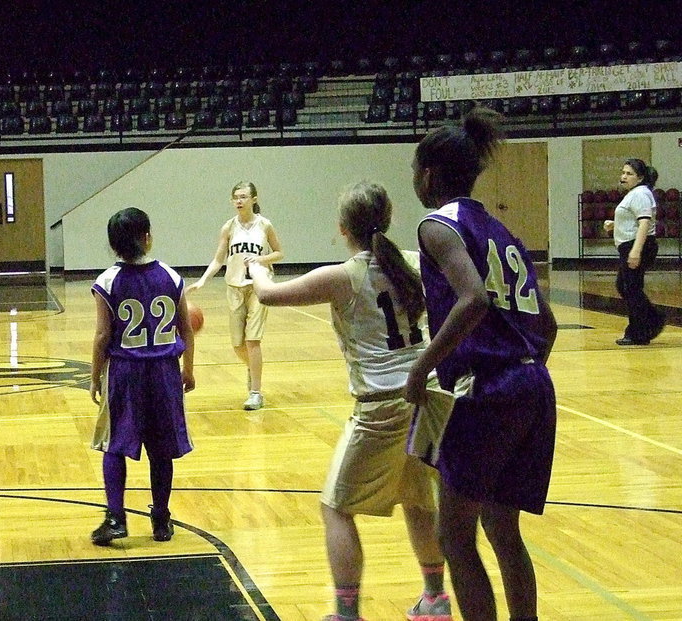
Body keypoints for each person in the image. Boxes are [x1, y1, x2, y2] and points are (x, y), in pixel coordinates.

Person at [247, 182, 453, 621]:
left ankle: (346, 613)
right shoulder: (416, 264)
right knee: (418, 500)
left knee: (335, 507)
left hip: (381, 405)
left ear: (343, 229)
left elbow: (267, 294)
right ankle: (435, 598)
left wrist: (256, 266)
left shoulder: (344, 276)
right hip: (428, 398)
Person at [406, 107, 558, 621]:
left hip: (488, 389)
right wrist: (522, 371)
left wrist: (421, 365)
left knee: (455, 536)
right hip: (534, 382)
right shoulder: (502, 231)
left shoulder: (437, 226)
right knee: (503, 529)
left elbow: (471, 300)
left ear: (428, 175)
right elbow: (549, 325)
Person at [89, 207, 195, 545]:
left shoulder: (107, 282)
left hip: (126, 373)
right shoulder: (171, 276)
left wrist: (94, 376)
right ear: (147, 237)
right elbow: (187, 328)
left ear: (113, 244)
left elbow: (103, 336)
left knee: (113, 445)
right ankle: (161, 519)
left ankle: (116, 518)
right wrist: (188, 369)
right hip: (164, 373)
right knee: (161, 449)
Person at [187, 181, 284, 410]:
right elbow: (218, 259)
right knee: (237, 343)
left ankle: (255, 392)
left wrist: (261, 259)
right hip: (234, 287)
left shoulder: (265, 225)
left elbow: (279, 253)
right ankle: (253, 367)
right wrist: (203, 280)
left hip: (259, 287)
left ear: (254, 199)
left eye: (243, 196)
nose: (239, 201)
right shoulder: (228, 227)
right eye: (236, 197)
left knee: (253, 340)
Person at [603, 158, 666, 345]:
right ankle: (652, 320)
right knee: (625, 287)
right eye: (623, 172)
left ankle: (640, 331)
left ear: (640, 177)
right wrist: (615, 224)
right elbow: (633, 219)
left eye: (629, 173)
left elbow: (645, 222)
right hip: (630, 245)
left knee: (631, 288)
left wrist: (636, 251)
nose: (624, 177)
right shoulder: (635, 193)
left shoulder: (640, 194)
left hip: (637, 245)